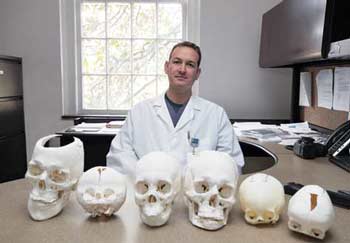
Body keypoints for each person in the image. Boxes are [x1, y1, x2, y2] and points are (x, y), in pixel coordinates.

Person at [107, 41, 244, 176]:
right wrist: (149, 179)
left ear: (197, 73)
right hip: (149, 194)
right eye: (177, 62)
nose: (182, 69)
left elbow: (231, 163)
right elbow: (119, 156)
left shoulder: (216, 114)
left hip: (197, 195)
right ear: (167, 67)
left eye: (190, 65)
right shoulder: (139, 112)